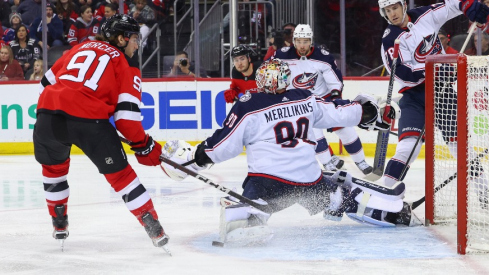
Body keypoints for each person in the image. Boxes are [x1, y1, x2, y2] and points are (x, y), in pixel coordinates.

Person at [160, 59, 414, 245]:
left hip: (268, 182)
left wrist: (194, 160)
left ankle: (246, 216)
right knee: (341, 197)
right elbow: (339, 111)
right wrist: (371, 111)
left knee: (256, 201)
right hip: (307, 180)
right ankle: (395, 213)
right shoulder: (304, 97)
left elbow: (222, 146)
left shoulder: (250, 105)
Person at [33, 14, 169, 252]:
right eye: (134, 38)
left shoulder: (80, 47)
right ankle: (154, 227)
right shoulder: (127, 65)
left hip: (47, 115)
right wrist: (144, 145)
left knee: (53, 170)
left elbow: (45, 82)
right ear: (120, 38)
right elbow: (126, 120)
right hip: (88, 121)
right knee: (122, 177)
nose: (137, 44)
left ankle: (59, 223)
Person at [378, 0, 489, 188]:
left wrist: (468, 6)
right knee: (408, 148)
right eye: (387, 11)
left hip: (443, 92)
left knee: (461, 147)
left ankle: (484, 192)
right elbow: (405, 74)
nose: (392, 14)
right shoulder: (390, 40)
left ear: (404, 5)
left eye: (395, 8)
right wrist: (436, 68)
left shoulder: (424, 15)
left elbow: (450, 6)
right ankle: (383, 192)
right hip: (414, 97)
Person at [272, 24, 372, 175]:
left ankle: (361, 161)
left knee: (345, 130)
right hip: (302, 104)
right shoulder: (282, 55)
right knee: (313, 134)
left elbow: (335, 80)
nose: (302, 45)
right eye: (299, 41)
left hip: (324, 100)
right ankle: (328, 164)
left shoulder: (322, 57)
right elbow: (269, 72)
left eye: (305, 41)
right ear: (294, 41)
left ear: (311, 41)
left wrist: (335, 96)